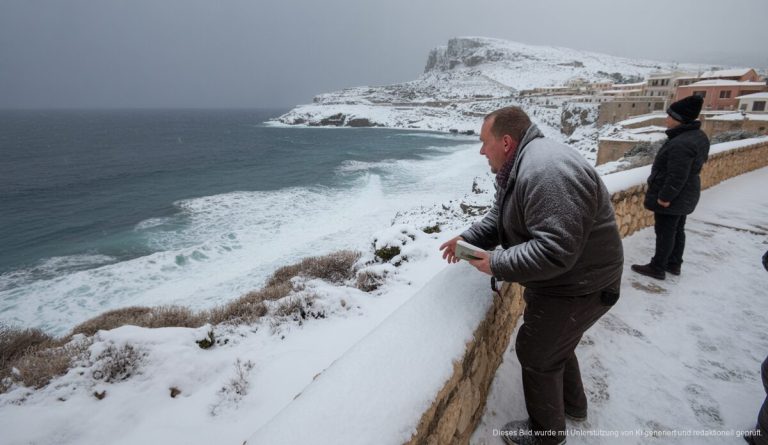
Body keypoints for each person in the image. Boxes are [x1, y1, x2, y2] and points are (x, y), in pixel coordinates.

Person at [440, 106, 623, 445]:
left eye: (484, 143)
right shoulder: (522, 165)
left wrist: (496, 262)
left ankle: (547, 436)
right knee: (556, 344)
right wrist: (468, 239)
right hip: (571, 280)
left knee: (538, 352)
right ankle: (574, 406)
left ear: (506, 142)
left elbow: (555, 251)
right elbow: (500, 217)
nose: (481, 151)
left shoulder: (545, 171)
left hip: (582, 285)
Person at [631, 95, 710, 280]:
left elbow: (677, 174)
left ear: (679, 119)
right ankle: (674, 264)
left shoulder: (681, 143)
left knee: (665, 232)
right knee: (678, 229)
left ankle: (658, 267)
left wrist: (665, 197)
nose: (666, 119)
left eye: (670, 116)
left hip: (674, 196)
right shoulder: (698, 136)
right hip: (687, 193)